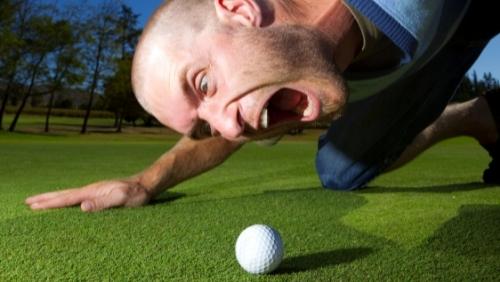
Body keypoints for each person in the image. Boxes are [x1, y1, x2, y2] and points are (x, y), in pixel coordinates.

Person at [26, 0, 500, 212]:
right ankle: (474, 115)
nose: (228, 129)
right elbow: (226, 131)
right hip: (439, 48)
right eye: (207, 126)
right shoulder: (292, 60)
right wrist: (143, 183)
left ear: (238, 6)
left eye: (205, 84)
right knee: (339, 170)